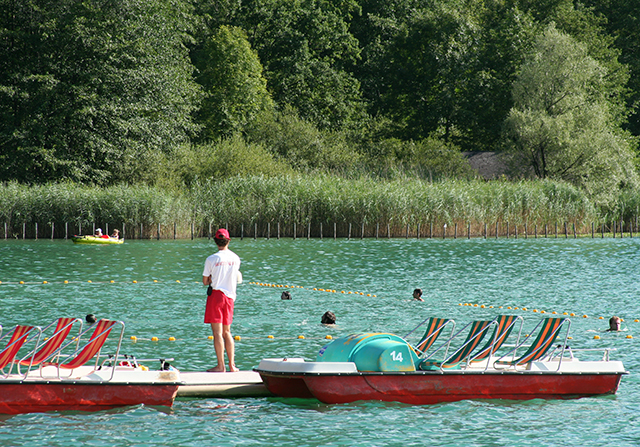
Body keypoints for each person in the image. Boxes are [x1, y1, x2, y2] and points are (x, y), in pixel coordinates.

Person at [202, 228, 241, 372]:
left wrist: (212, 277)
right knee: (227, 332)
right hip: (230, 297)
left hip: (217, 296)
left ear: (215, 241)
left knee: (217, 333)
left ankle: (220, 366)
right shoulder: (235, 258)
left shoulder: (211, 259)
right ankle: (232, 365)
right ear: (228, 240)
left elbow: (205, 281)